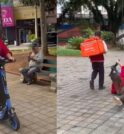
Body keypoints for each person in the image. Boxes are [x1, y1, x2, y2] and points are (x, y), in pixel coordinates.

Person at [0, 38, 15, 115]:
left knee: (3, 88)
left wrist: (9, 57)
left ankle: (3, 106)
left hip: (0, 69)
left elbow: (5, 51)